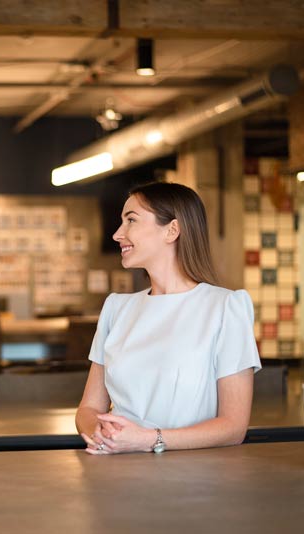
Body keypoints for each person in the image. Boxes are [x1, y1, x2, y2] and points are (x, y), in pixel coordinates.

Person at [76, 181, 260, 455]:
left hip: (196, 482)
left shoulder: (225, 308)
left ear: (172, 230)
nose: (117, 234)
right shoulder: (116, 308)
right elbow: (89, 409)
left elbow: (233, 427)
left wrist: (148, 439)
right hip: (117, 476)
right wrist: (101, 433)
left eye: (131, 221)